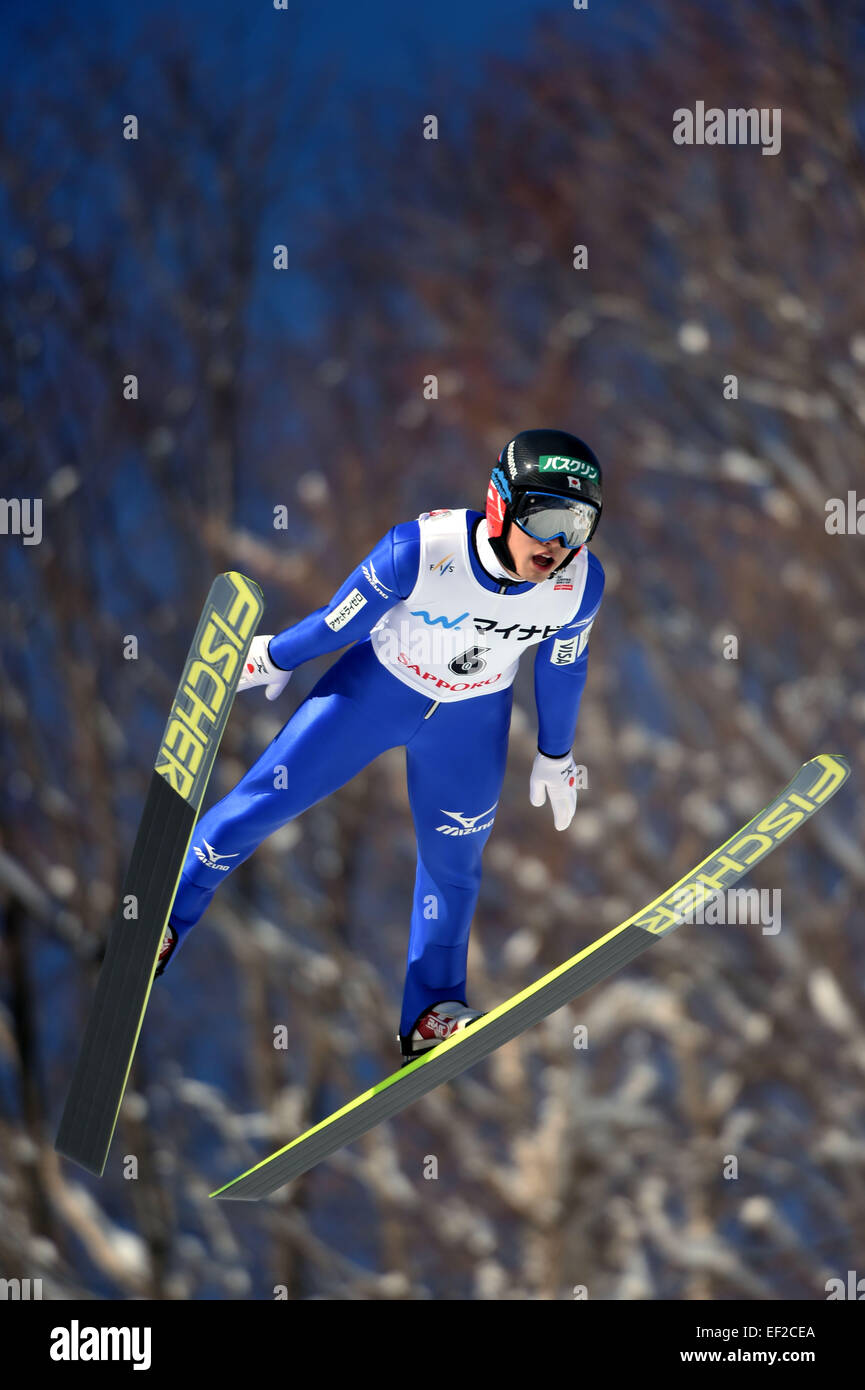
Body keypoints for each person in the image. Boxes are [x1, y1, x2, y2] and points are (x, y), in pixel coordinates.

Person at [158, 429, 606, 1066]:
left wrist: (557, 755)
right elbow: (343, 618)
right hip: (375, 694)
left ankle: (430, 1012)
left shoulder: (580, 585)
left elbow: (565, 665)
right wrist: (275, 654)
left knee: (455, 866)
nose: (561, 544)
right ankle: (167, 915)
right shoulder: (421, 550)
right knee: (266, 800)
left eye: (581, 524)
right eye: (549, 518)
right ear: (502, 504)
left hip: (471, 723)